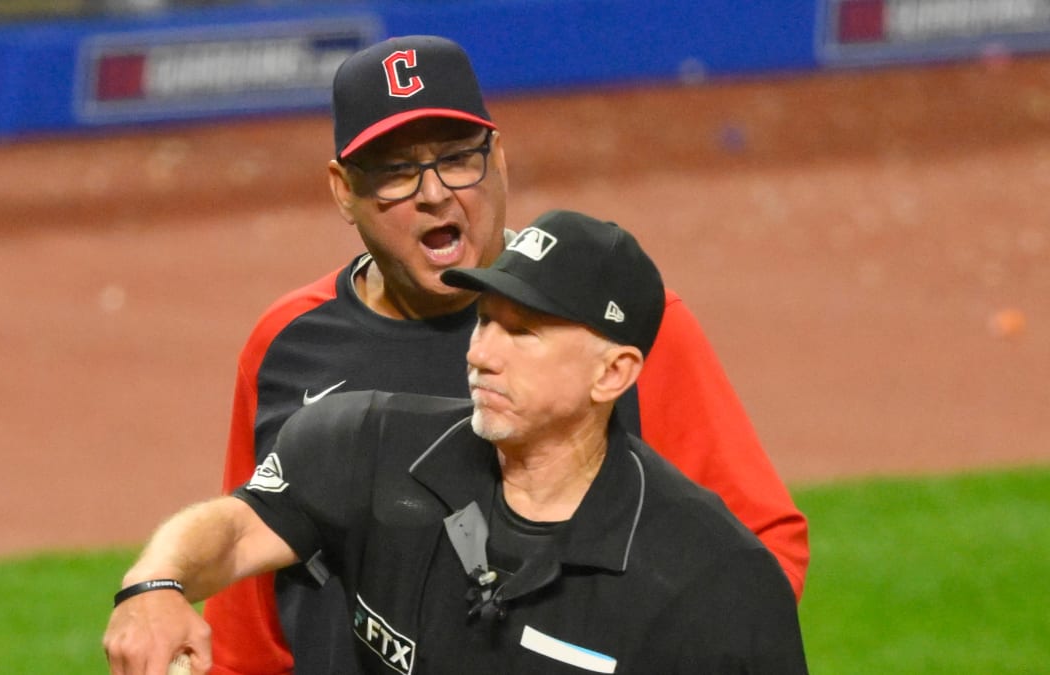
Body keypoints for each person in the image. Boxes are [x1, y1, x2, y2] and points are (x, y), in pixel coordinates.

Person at [202, 34, 809, 675]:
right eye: (395, 171)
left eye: (458, 158)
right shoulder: (289, 345)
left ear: (499, 159)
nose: (433, 193)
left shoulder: (606, 329)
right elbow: (248, 620)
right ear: (343, 190)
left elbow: (758, 552)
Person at [103, 210, 809, 674]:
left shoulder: (711, 578)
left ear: (613, 372)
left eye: (523, 332)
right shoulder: (369, 444)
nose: (482, 354)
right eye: (485, 321)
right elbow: (232, 531)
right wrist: (154, 584)